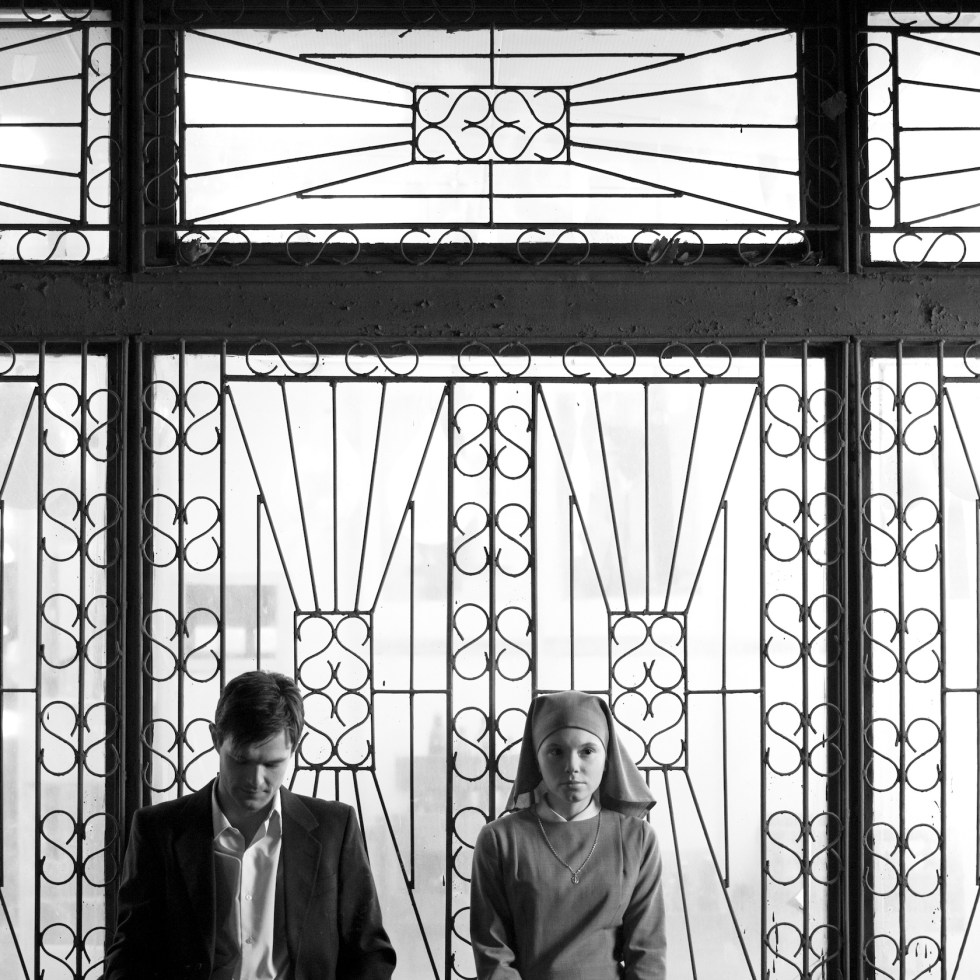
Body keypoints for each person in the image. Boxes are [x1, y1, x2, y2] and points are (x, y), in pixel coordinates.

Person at [104, 670, 396, 980]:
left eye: (272, 764)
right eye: (241, 760)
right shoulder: (157, 830)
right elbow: (129, 958)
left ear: (294, 748)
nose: (256, 781)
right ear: (216, 739)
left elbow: (370, 953)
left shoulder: (335, 829)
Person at [469, 690, 666, 980]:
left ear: (607, 757)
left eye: (587, 751)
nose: (572, 766)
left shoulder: (637, 839)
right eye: (556, 751)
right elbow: (492, 953)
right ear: (537, 759)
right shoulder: (499, 840)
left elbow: (647, 954)